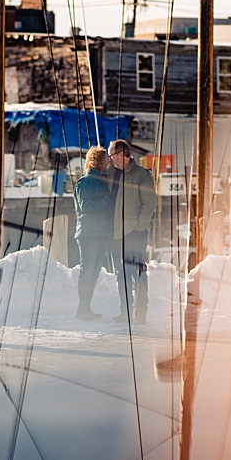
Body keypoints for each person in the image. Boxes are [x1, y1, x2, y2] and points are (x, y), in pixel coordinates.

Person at [107, 139, 157, 324]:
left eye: (111, 155)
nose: (110, 159)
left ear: (121, 154)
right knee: (121, 275)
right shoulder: (111, 173)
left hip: (134, 233)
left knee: (138, 273)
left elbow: (150, 202)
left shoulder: (141, 175)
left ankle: (141, 314)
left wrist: (139, 227)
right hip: (115, 233)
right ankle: (125, 312)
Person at [73, 145, 111, 322]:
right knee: (88, 271)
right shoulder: (85, 182)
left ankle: (85, 308)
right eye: (105, 159)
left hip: (101, 233)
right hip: (89, 234)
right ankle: (83, 309)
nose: (108, 162)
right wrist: (107, 200)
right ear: (98, 161)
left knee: (94, 272)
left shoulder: (103, 179)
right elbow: (85, 207)